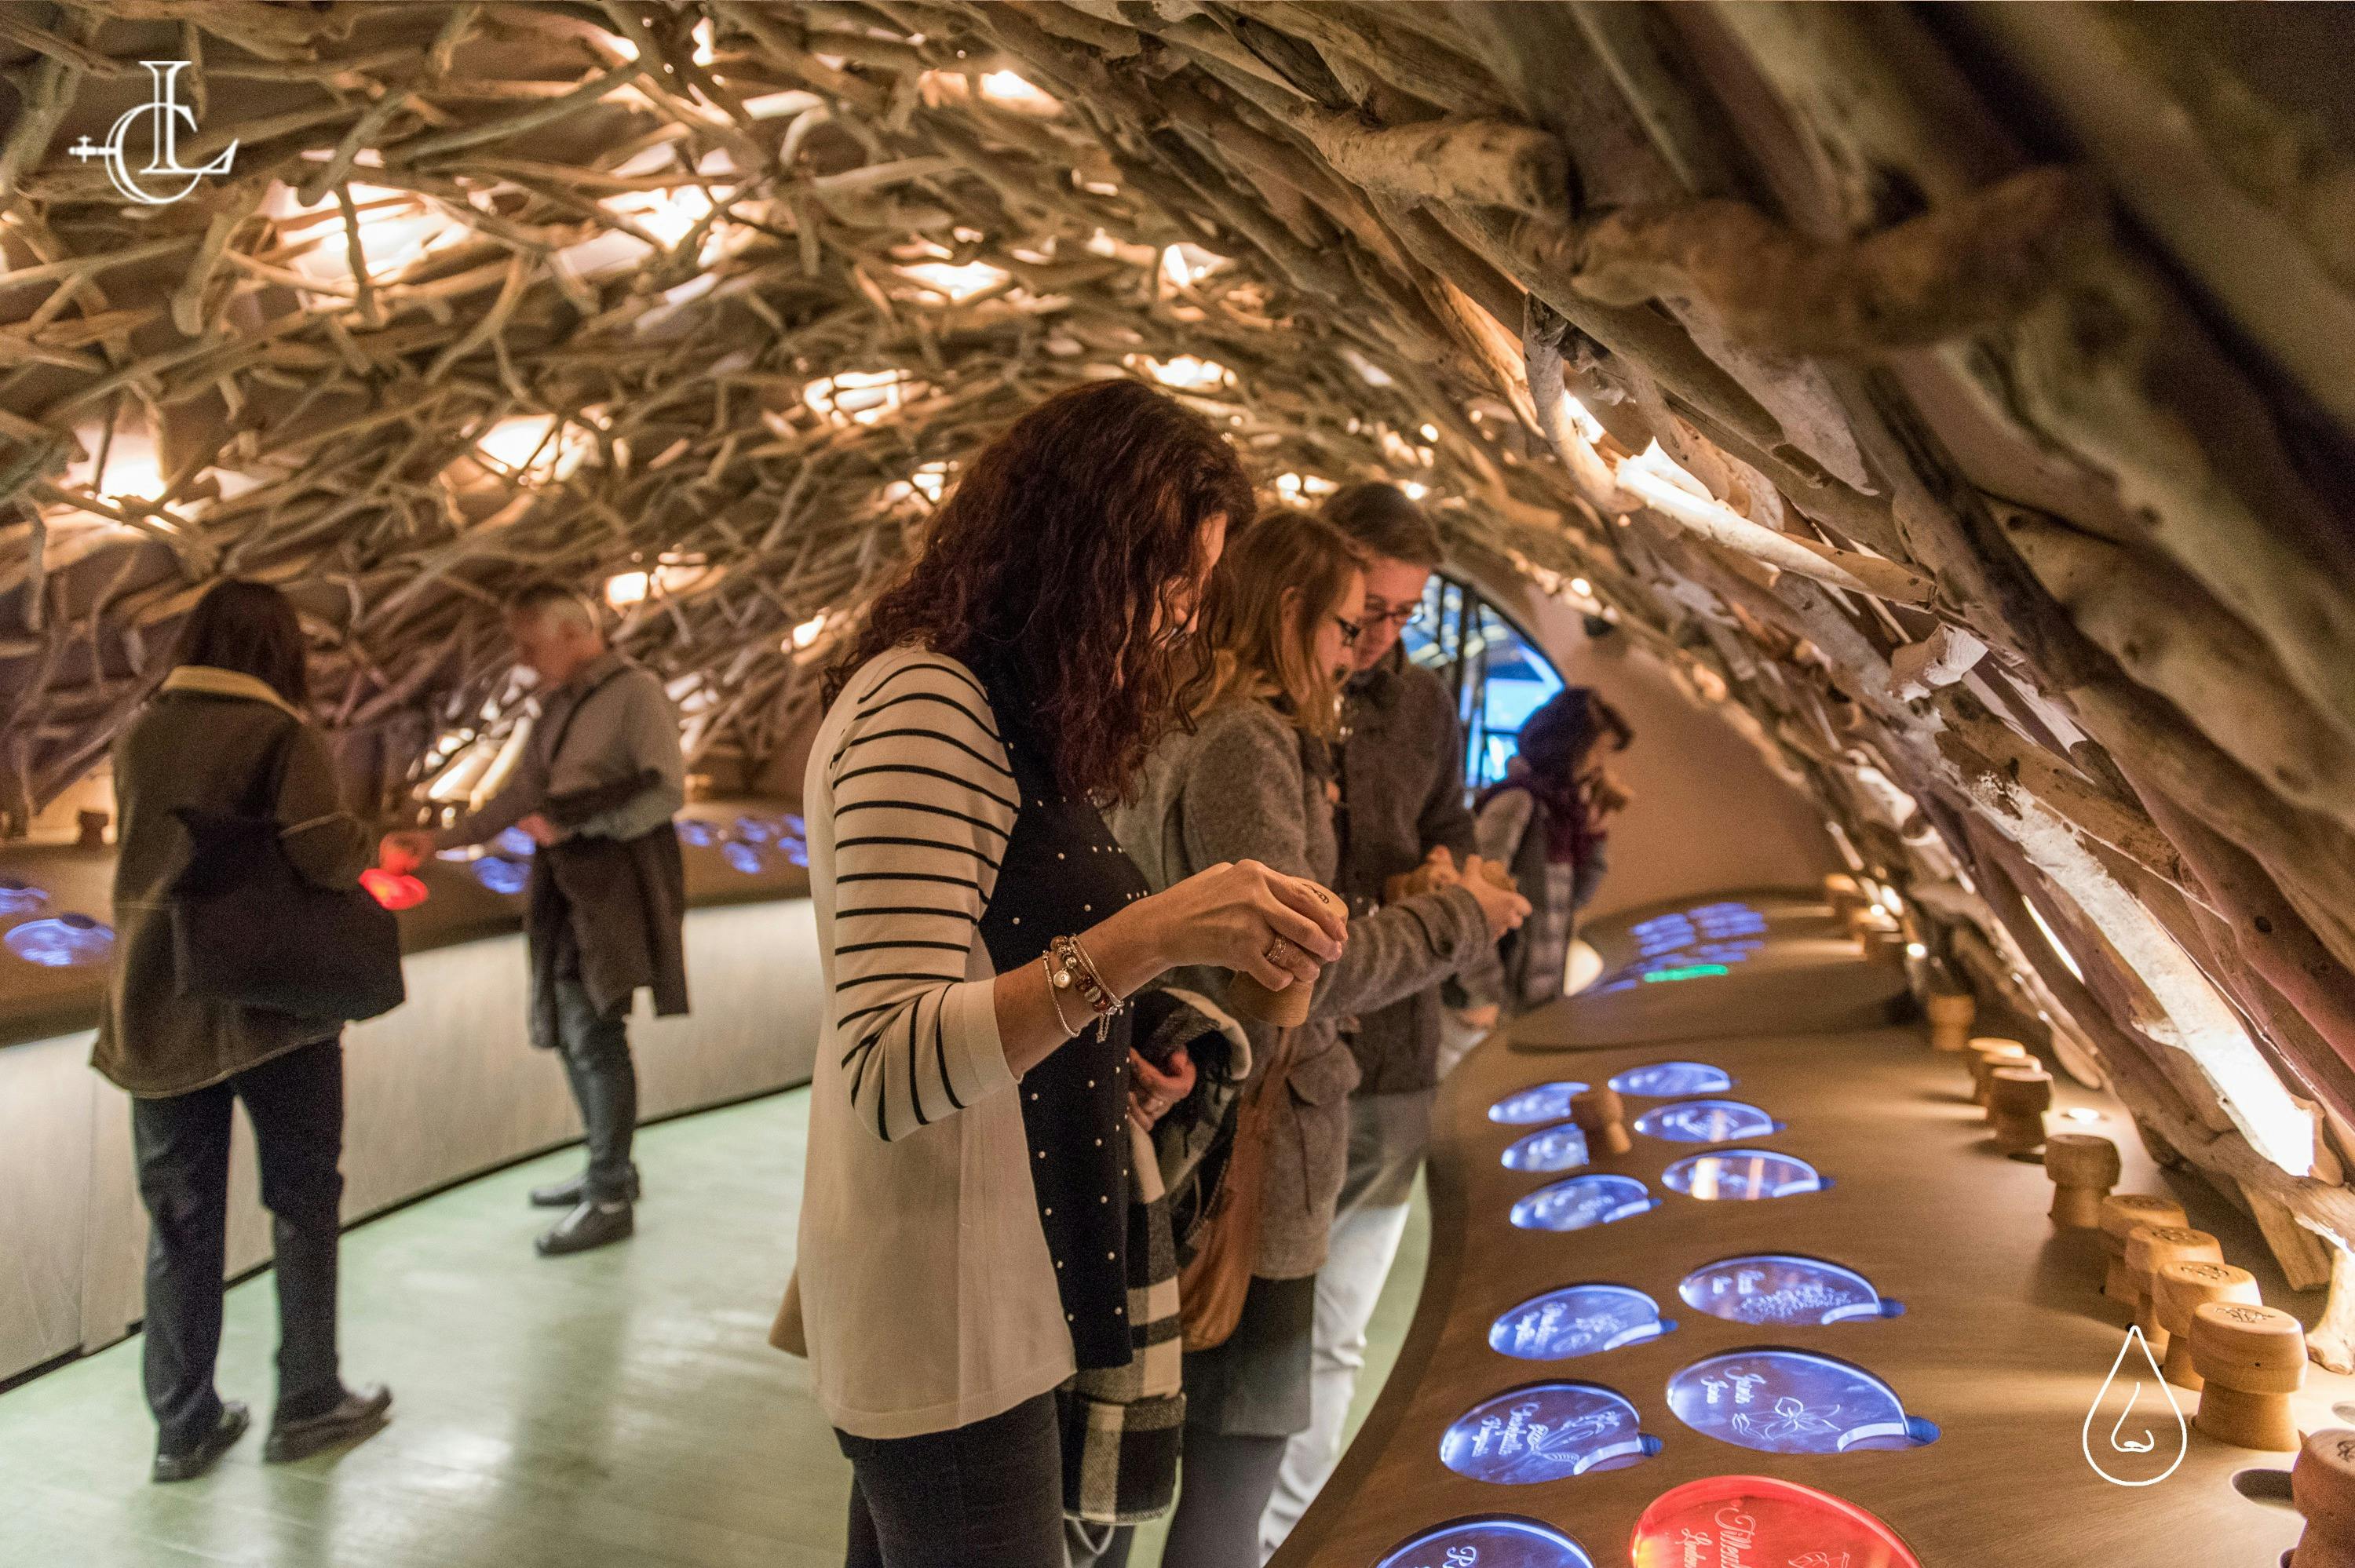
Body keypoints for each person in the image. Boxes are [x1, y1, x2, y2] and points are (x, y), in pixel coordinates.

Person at [797, 378, 1350, 1568]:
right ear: (1077, 552)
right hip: (942, 1302)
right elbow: (889, 1063)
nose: (1176, 620)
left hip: (1003, 1274)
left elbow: (996, 987)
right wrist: (1152, 933)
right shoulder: (925, 708)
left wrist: (1110, 1066)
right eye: (1169, 583)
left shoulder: (1001, 718)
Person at [1105, 511, 1529, 1568]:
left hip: (1189, 1118)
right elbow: (1299, 965)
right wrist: (1459, 917)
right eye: (1350, 621)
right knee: (1236, 1456)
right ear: (1291, 612)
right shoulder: (1248, 738)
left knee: (1124, 1461)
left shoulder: (1181, 721)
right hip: (1248, 1135)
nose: (1358, 648)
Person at [96, 579, 392, 1482]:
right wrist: (369, 839)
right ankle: (308, 1400)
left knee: (180, 1224)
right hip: (277, 1012)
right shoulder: (281, 735)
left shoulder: (141, 729)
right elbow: (322, 853)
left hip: (157, 1003)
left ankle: (182, 1425)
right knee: (302, 1204)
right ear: (278, 651)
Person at [1259, 482, 1497, 1558]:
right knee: (1253, 1343)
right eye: (1366, 610)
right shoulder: (1261, 707)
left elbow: (1448, 823)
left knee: (1338, 1333)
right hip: (1279, 1071)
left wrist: (1442, 876)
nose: (1380, 634)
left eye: (1403, 614)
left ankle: (1280, 1543)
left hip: (1394, 1052)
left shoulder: (1427, 704)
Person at [382, 582, 688, 1257]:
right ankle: (609, 1172)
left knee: (595, 1033)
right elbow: (521, 793)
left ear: (576, 631)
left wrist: (582, 827)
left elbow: (666, 789)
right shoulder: (558, 703)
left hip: (609, 888)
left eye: (530, 643)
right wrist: (444, 838)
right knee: (580, 1029)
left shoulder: (636, 694)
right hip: (570, 887)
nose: (523, 659)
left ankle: (609, 1193)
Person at [1474, 686, 1634, 1014]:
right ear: (1569, 748)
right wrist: (1486, 995)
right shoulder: (1518, 802)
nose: (1598, 768)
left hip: (1538, 997)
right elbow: (1475, 901)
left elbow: (1576, 899)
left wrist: (1597, 831)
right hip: (1502, 1003)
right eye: (1595, 754)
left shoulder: (1560, 814)